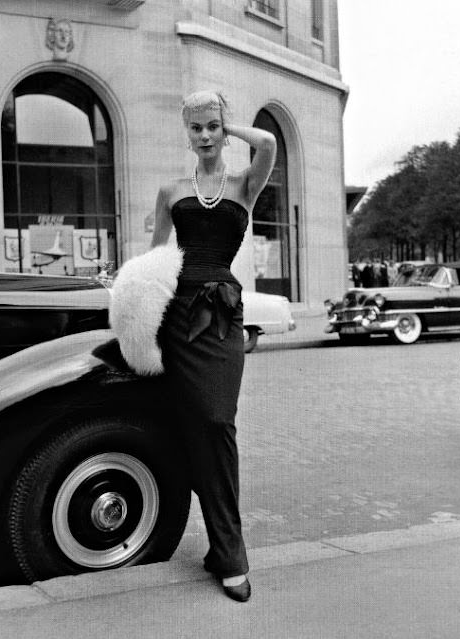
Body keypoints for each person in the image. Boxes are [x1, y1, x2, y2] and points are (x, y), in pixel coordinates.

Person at [151, 90, 276, 602]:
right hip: (177, 314)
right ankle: (220, 548)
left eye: (212, 127)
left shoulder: (245, 185)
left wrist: (230, 124)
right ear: (186, 134)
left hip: (223, 315)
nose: (205, 136)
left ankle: (230, 552)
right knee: (189, 429)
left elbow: (267, 142)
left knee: (218, 422)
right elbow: (156, 256)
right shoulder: (170, 189)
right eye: (196, 129)